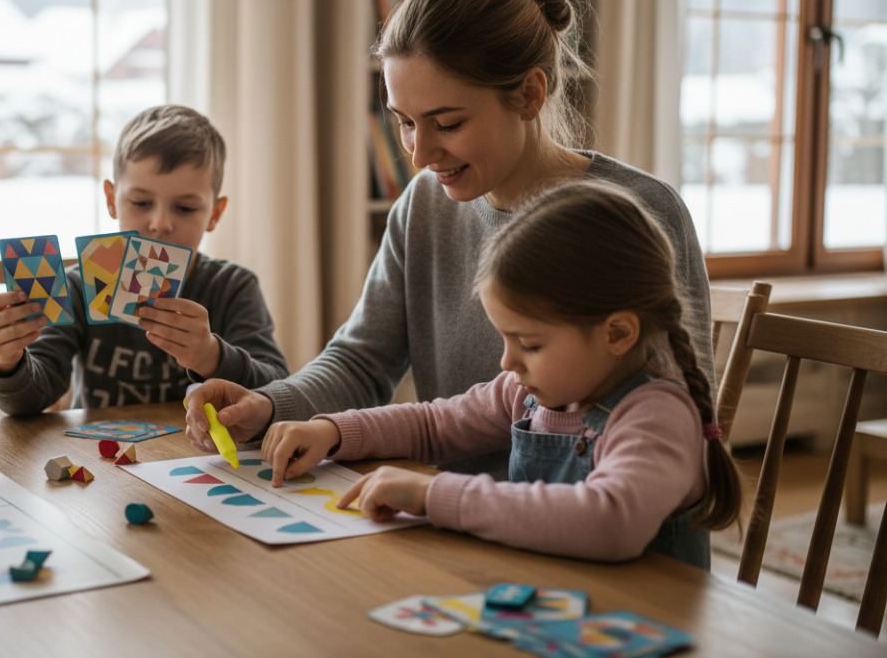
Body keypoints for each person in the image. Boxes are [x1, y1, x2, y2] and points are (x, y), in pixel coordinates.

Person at [185, 0, 713, 467]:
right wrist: (271, 405)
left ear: (530, 93)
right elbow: (361, 362)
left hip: (598, 526)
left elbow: (687, 425)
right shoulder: (423, 206)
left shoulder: (639, 213)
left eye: (448, 122)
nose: (419, 154)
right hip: (449, 524)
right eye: (405, 122)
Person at [259, 181, 742, 568]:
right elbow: (435, 424)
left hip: (645, 627)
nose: (507, 363)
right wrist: (333, 431)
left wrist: (435, 494)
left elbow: (610, 522)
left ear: (617, 333)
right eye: (505, 339)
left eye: (529, 344)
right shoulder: (529, 392)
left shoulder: (655, 415)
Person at [0, 104, 290, 415]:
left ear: (215, 214)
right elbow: (30, 399)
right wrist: (5, 359)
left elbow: (277, 389)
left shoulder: (232, 287)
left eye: (185, 208)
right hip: (99, 455)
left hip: (195, 455)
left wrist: (211, 355)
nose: (160, 223)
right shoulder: (77, 286)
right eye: (141, 202)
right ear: (112, 201)